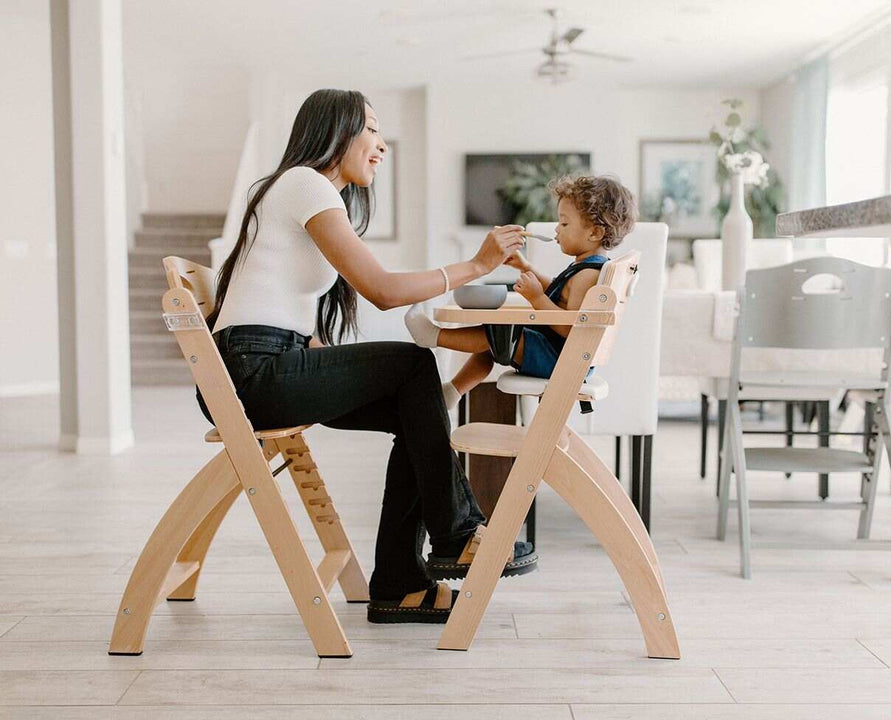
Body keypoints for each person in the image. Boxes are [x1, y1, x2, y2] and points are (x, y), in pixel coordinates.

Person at [196, 88, 537, 625]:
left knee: (412, 399)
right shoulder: (303, 183)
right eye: (371, 129)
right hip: (252, 374)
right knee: (411, 363)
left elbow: (283, 310)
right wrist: (476, 265)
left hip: (267, 364)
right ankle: (459, 534)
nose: (381, 145)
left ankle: (401, 584)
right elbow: (381, 289)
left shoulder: (304, 192)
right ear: (335, 131)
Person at [404, 175, 637, 409]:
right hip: (559, 356)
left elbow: (570, 327)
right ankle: (453, 391)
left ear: (595, 233)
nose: (557, 229)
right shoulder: (586, 268)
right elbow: (560, 290)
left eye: (564, 224)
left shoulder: (589, 275)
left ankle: (434, 336)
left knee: (495, 335)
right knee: (493, 344)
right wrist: (527, 268)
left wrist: (536, 297)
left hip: (557, 360)